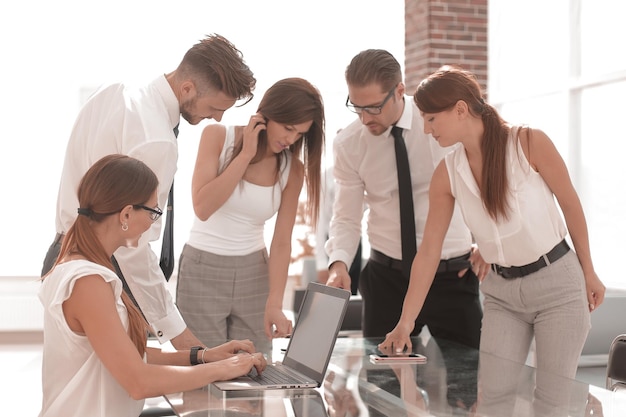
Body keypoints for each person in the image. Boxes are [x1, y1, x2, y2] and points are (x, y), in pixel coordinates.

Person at [380, 65, 606, 414]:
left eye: (431, 119)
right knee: (492, 400)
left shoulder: (529, 142)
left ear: (459, 109)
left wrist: (589, 270)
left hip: (558, 287)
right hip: (502, 295)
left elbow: (571, 205)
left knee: (551, 402)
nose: (425, 129)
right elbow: (428, 253)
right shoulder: (448, 173)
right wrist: (405, 322)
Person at [41, 34, 256, 350]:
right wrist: (184, 340)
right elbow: (132, 244)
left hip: (61, 256)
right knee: (112, 389)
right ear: (187, 89)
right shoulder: (156, 141)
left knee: (76, 379)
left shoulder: (115, 93)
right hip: (104, 272)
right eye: (215, 107)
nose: (218, 117)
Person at [39, 154, 266, 417]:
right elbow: (139, 381)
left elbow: (129, 355)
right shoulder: (87, 282)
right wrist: (226, 369)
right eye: (153, 212)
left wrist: (204, 357)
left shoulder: (83, 267)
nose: (152, 223)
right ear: (125, 213)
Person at [325, 50, 488, 351]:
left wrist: (489, 242)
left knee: (470, 385)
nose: (364, 118)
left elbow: (480, 185)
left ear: (399, 91)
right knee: (381, 384)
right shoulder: (349, 144)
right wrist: (339, 264)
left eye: (373, 107)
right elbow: (346, 217)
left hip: (452, 275)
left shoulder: (440, 125)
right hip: (388, 280)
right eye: (356, 107)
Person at [176, 77, 325, 355]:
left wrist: (275, 303)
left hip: (255, 274)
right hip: (202, 270)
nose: (290, 139)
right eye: (288, 128)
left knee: (254, 374)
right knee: (202, 374)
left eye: (300, 134)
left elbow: (282, 242)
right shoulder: (218, 137)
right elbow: (203, 207)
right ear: (266, 115)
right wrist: (245, 155)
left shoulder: (293, 169)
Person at [315, 165, 361, 294]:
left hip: (355, 242)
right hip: (330, 244)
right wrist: (322, 264)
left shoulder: (361, 171)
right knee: (331, 300)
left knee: (351, 297)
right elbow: (320, 220)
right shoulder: (326, 176)